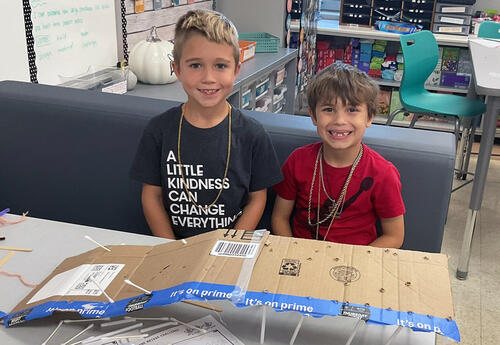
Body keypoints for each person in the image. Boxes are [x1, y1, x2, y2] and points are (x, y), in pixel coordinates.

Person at [130, 10, 282, 239]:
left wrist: (230, 244)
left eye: (220, 66)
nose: (208, 78)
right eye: (195, 66)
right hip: (172, 248)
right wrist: (170, 248)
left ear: (236, 70)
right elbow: (151, 197)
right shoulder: (159, 130)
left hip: (229, 248)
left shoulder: (253, 135)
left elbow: (257, 198)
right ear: (178, 70)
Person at [271, 63, 405, 248]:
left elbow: (394, 236)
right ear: (314, 116)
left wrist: (352, 262)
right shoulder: (298, 161)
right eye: (328, 109)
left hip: (356, 263)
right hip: (300, 257)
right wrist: (292, 252)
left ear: (369, 117)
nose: (340, 121)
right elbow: (279, 218)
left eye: (352, 110)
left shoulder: (383, 173)